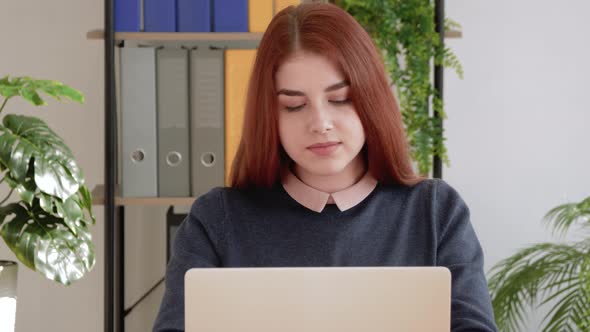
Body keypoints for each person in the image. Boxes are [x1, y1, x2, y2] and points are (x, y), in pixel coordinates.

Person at [153, 3, 497, 331]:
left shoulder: (435, 212)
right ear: (269, 116)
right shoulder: (217, 220)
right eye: (294, 105)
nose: (320, 123)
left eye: (339, 99)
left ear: (370, 100)